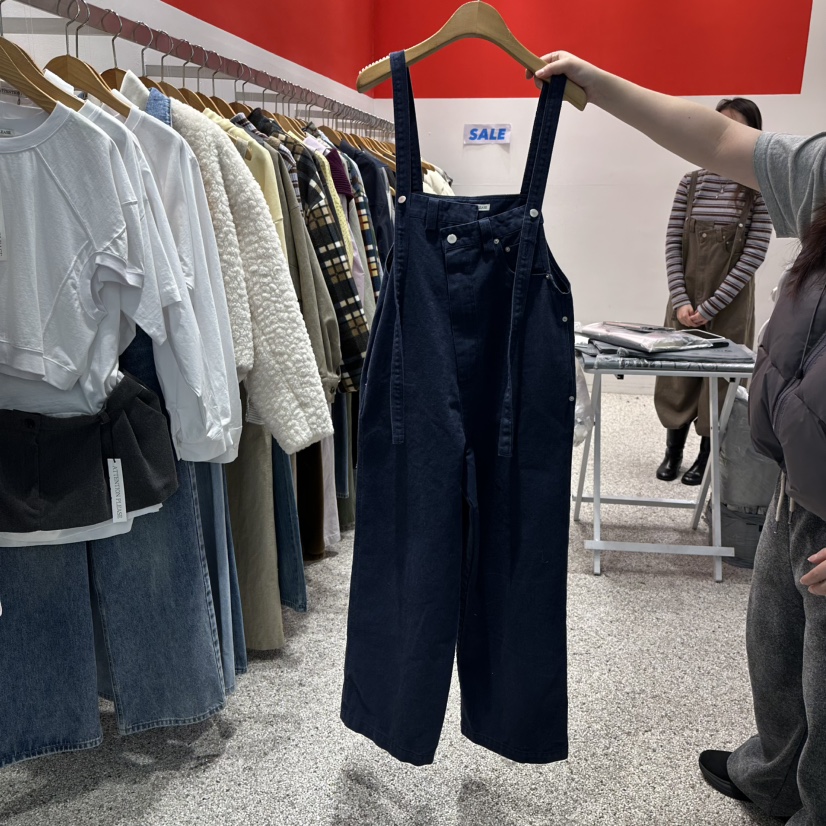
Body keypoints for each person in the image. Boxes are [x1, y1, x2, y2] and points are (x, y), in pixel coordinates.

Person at [531, 53, 826, 825]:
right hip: (799, 468)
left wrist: (712, 298)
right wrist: (600, 81)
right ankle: (771, 776)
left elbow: (748, 237)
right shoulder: (820, 167)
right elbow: (716, 143)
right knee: (775, 642)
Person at [655, 98, 771, 485]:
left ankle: (707, 455)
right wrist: (681, 300)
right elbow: (673, 244)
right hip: (685, 298)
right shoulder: (690, 184)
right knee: (676, 375)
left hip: (731, 304)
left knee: (720, 380)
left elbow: (754, 254)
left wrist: (712, 306)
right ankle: (673, 450)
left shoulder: (758, 190)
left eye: (734, 128)